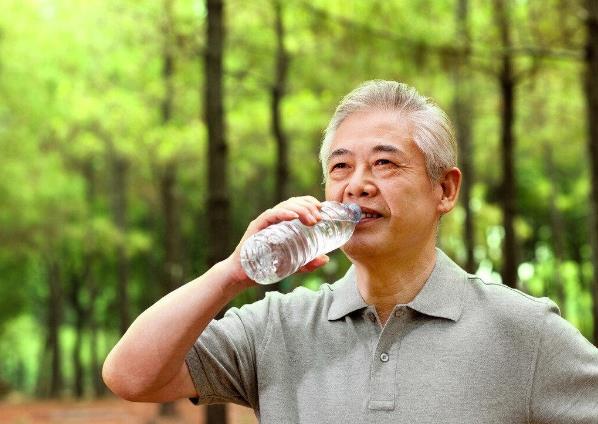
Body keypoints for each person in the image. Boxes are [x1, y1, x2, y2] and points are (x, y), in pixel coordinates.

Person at [103, 80, 598, 423]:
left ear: (445, 190)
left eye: (385, 163)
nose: (356, 186)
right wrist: (232, 273)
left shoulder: (523, 333)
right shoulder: (277, 327)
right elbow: (131, 376)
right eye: (340, 168)